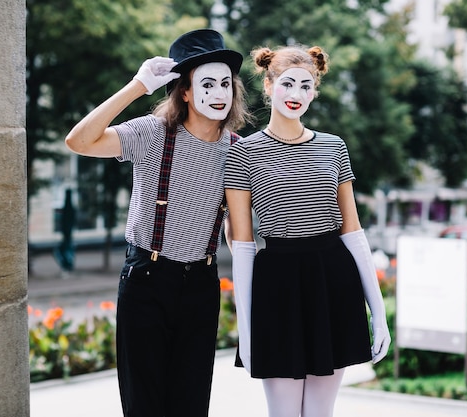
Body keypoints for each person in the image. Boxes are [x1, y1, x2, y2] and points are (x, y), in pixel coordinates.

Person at [65, 29, 250, 417]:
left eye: (226, 84)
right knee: (144, 404)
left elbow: (236, 228)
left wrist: (254, 283)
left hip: (201, 286)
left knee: (191, 404)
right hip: (147, 282)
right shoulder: (151, 134)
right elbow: (78, 142)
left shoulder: (237, 150)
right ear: (184, 91)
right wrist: (137, 86)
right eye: (207, 83)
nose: (219, 93)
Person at [224, 44, 391, 417]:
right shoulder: (243, 153)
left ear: (315, 90)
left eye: (306, 85)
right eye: (287, 84)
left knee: (320, 413)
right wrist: (246, 330)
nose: (296, 94)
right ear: (268, 85)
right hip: (277, 284)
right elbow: (243, 244)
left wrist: (377, 311)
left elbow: (353, 232)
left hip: (333, 281)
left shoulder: (334, 148)